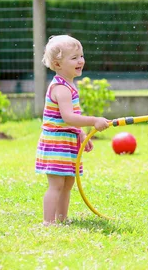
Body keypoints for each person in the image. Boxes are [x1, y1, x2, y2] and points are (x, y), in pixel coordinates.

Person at [35, 35, 110, 225]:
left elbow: (71, 119)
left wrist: (82, 134)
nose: (81, 60)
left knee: (68, 183)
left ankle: (62, 218)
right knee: (56, 184)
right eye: (74, 57)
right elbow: (68, 117)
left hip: (67, 142)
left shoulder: (69, 85)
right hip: (56, 143)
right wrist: (94, 120)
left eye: (81, 56)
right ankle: (48, 222)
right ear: (57, 64)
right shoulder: (61, 88)